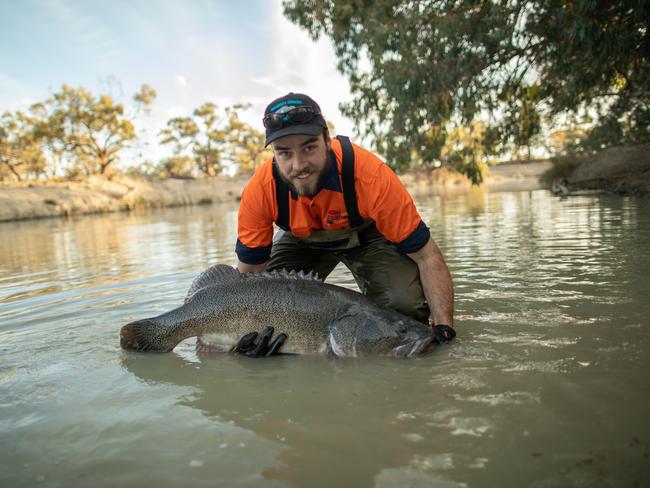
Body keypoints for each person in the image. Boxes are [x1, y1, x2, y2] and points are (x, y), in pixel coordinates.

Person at [233, 93, 455, 356]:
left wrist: (444, 328)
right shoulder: (260, 190)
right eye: (284, 153)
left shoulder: (371, 176)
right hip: (303, 242)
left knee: (404, 309)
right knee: (268, 311)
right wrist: (243, 333)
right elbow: (247, 282)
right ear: (274, 154)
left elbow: (427, 256)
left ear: (327, 140)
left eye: (309, 147)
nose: (298, 165)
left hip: (368, 238)